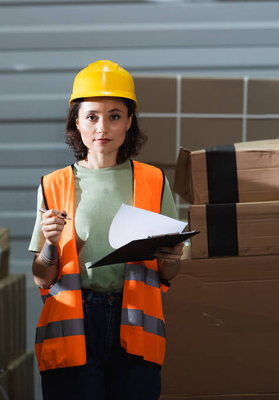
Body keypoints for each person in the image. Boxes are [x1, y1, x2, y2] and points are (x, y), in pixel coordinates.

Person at [28, 60, 184, 400]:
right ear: (77, 122)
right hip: (74, 324)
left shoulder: (154, 180)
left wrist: (173, 256)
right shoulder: (53, 185)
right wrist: (51, 244)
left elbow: (169, 272)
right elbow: (42, 278)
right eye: (92, 116)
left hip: (135, 323)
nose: (103, 127)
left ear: (129, 122)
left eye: (115, 116)